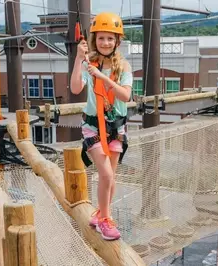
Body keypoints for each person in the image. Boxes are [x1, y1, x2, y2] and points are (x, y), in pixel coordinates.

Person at [70, 12, 132, 240]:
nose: (105, 43)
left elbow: (125, 96)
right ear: (94, 40)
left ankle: (101, 214)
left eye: (110, 38)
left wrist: (102, 77)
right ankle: (105, 220)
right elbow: (76, 88)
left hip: (115, 127)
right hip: (93, 127)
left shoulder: (123, 66)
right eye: (101, 38)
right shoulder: (89, 64)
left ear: (117, 41)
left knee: (110, 177)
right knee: (105, 174)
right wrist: (79, 58)